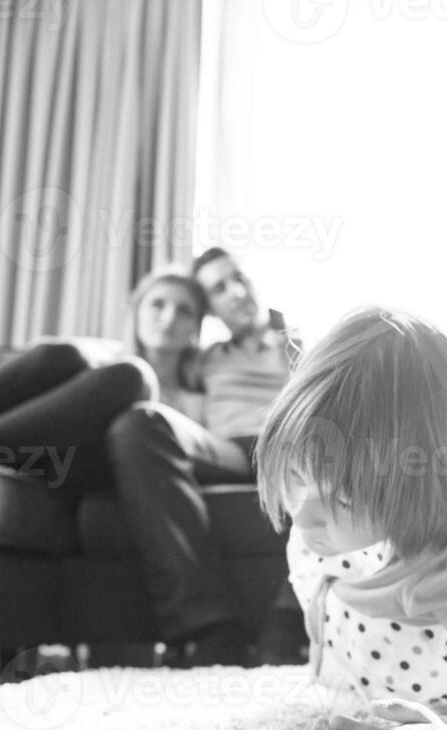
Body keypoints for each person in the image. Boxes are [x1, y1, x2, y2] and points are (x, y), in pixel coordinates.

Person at [255, 307, 447, 730]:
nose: (303, 517)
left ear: (416, 494)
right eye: (294, 475)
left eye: (341, 500)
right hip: (361, 671)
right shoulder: (320, 514)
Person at [105, 247, 301, 667]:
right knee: (141, 424)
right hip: (229, 449)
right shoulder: (206, 359)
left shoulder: (300, 342)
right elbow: (151, 361)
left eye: (240, 278)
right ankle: (209, 629)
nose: (235, 293)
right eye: (218, 289)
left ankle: (289, 621)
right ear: (209, 311)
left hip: (297, 445)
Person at [0, 268, 202, 497]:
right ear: (136, 313)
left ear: (195, 331)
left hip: (82, 465)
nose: (168, 318)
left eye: (184, 311)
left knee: (134, 377)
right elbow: (45, 355)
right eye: (157, 305)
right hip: (29, 447)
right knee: (64, 355)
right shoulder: (105, 361)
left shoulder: (198, 396)